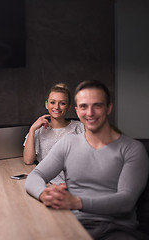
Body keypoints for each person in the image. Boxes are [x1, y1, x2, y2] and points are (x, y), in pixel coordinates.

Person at [25, 80, 149, 240]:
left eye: (97, 105)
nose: (90, 113)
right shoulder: (68, 143)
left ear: (108, 108)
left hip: (115, 229)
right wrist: (43, 194)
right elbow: (35, 176)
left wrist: (77, 203)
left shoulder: (132, 149)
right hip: (71, 224)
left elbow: (126, 202)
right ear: (77, 110)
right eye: (84, 106)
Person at [23, 83, 84, 184]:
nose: (56, 107)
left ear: (68, 107)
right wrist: (32, 129)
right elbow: (28, 160)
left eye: (62, 103)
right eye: (52, 102)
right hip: (49, 185)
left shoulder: (79, 127)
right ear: (47, 104)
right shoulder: (39, 130)